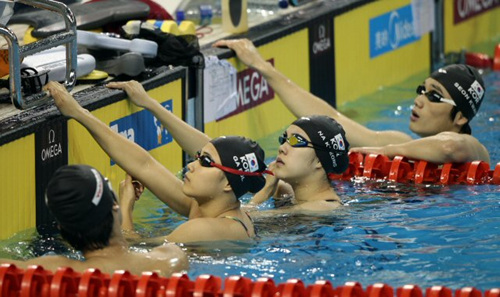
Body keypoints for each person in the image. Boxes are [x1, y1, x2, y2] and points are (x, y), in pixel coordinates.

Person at [47, 81, 270, 242]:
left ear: (228, 183)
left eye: (206, 162)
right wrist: (79, 112)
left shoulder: (207, 229)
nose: (191, 165)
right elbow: (145, 165)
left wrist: (125, 205)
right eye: (198, 157)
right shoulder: (208, 204)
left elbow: (128, 251)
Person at [212, 39, 490, 165]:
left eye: (433, 95)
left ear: (461, 118)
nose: (418, 101)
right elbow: (331, 119)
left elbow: (450, 146)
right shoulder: (397, 139)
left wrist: (382, 151)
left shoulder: (475, 152)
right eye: (421, 90)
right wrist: (262, 67)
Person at [106, 82, 350, 212]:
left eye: (296, 142)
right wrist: (151, 105)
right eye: (284, 139)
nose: (284, 148)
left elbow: (246, 216)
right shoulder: (288, 190)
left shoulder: (322, 209)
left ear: (320, 160)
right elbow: (217, 153)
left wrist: (261, 194)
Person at [0, 164, 188, 276]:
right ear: (114, 205)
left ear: (63, 230)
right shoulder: (169, 259)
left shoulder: (53, 272)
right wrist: (126, 207)